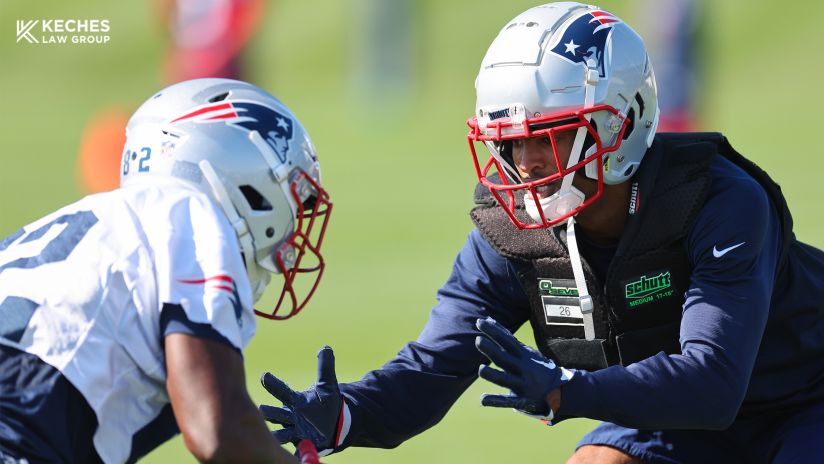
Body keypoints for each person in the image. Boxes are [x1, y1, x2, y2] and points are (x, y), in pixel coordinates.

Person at [260, 3, 824, 463]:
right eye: (509, 142)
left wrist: (567, 389)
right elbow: (435, 365)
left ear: (620, 124)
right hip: (675, 418)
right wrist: (348, 414)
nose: (524, 164)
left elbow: (712, 382)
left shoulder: (720, 201)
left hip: (804, 402)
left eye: (547, 136)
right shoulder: (511, 231)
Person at [0, 78, 332, 463]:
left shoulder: (105, 222)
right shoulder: (190, 213)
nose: (295, 229)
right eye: (295, 195)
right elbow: (218, 430)